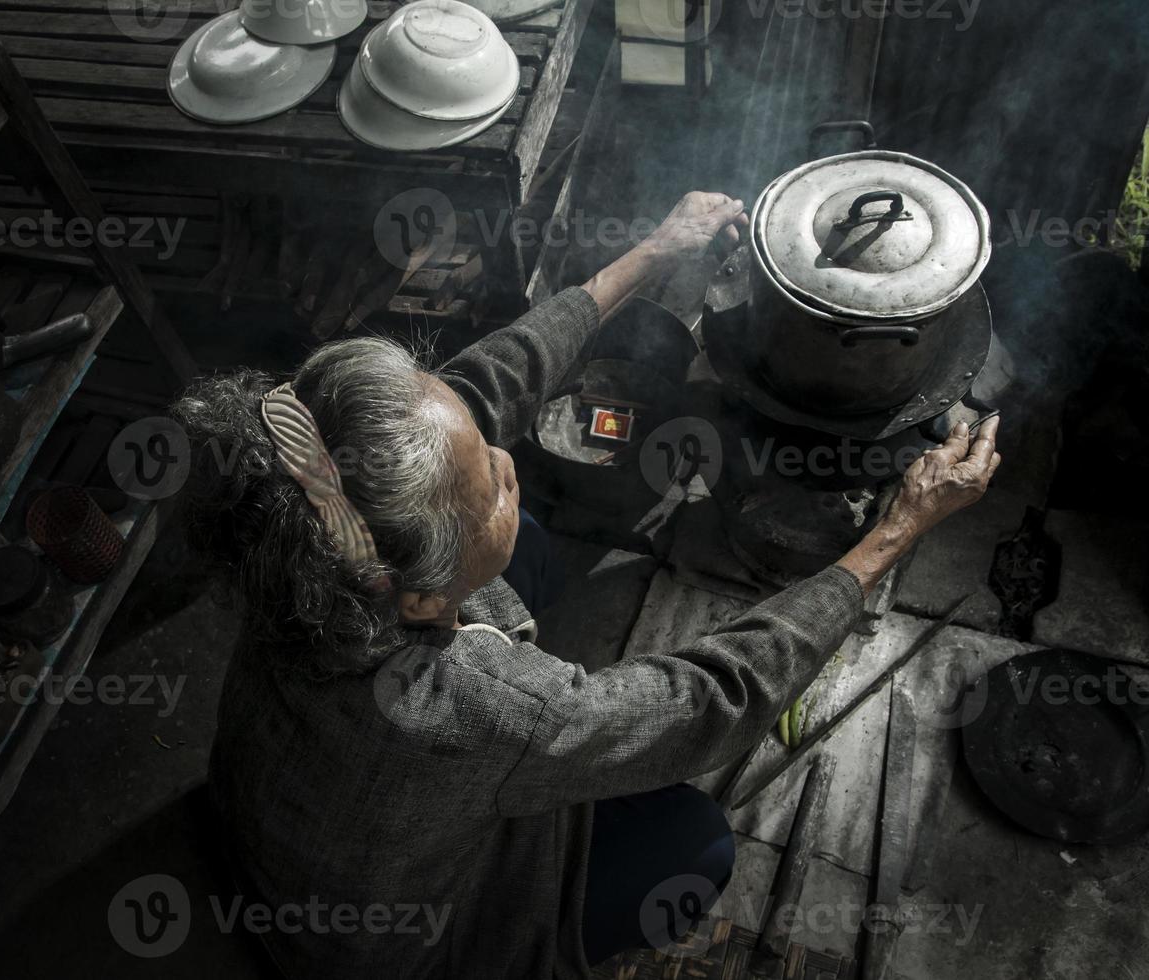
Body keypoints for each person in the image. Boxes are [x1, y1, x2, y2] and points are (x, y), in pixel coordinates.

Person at [176, 192, 1002, 978]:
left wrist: (651, 252)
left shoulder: (303, 525)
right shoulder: (468, 706)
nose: (506, 461)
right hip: (400, 948)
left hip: (295, 826)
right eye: (492, 483)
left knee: (525, 547)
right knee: (695, 840)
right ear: (422, 600)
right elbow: (706, 704)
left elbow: (480, 386)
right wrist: (896, 532)